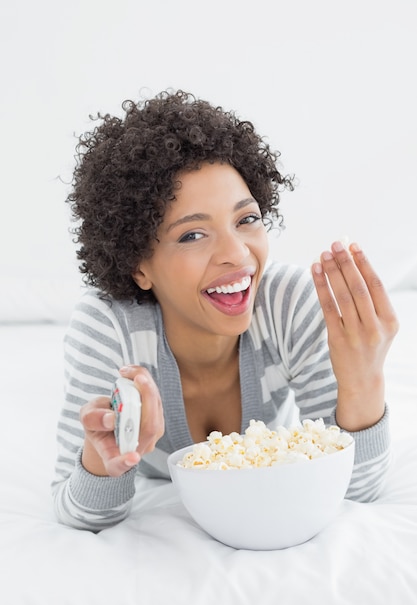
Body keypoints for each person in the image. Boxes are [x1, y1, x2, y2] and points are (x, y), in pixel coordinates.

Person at [52, 89, 399, 530]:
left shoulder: (288, 304)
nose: (237, 254)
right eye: (192, 235)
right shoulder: (110, 326)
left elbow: (356, 489)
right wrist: (108, 460)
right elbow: (79, 515)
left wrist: (364, 380)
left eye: (246, 219)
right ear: (139, 266)